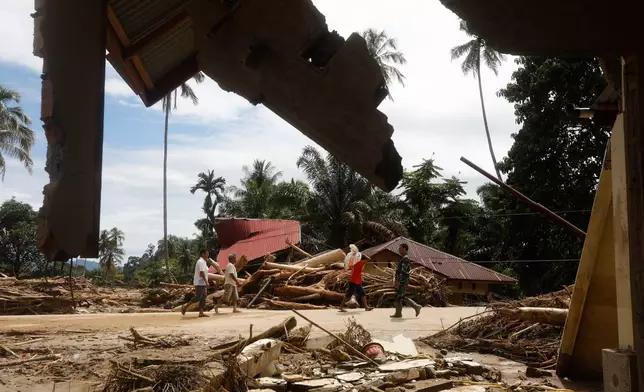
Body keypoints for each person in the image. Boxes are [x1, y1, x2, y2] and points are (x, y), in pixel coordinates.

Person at [391, 243, 421, 318]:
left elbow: (404, 272)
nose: (399, 250)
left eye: (400, 248)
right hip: (402, 280)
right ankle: (398, 313)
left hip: (402, 281)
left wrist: (399, 281)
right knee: (399, 296)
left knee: (400, 296)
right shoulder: (403, 258)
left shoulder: (405, 258)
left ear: (404, 249)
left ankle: (416, 306)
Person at [181, 249, 210, 317]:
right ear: (203, 254)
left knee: (203, 297)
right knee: (198, 297)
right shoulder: (201, 262)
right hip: (200, 282)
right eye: (207, 253)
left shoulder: (204, 262)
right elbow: (201, 273)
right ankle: (185, 306)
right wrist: (206, 282)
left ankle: (201, 312)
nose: (208, 255)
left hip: (202, 282)